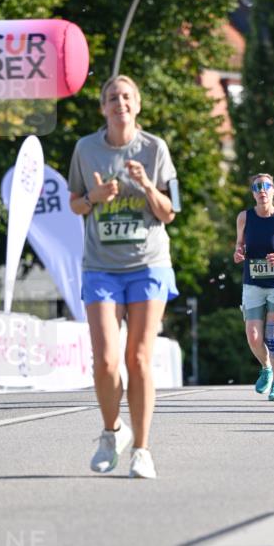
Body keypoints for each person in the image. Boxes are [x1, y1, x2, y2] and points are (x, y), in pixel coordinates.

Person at [68, 74, 178, 478]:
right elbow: (75, 203)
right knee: (106, 362)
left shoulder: (154, 149)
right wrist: (92, 199)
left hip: (148, 264)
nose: (120, 103)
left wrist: (147, 185)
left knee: (139, 357)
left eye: (127, 97)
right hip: (100, 266)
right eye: (112, 97)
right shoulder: (85, 149)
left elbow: (169, 212)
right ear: (103, 108)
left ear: (138, 105)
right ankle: (113, 431)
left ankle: (143, 450)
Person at [233, 173, 274, 402]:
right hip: (253, 284)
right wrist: (239, 253)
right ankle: (266, 367)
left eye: (266, 186)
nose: (262, 190)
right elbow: (239, 246)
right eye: (257, 186)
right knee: (253, 336)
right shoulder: (244, 217)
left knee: (273, 337)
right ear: (253, 192)